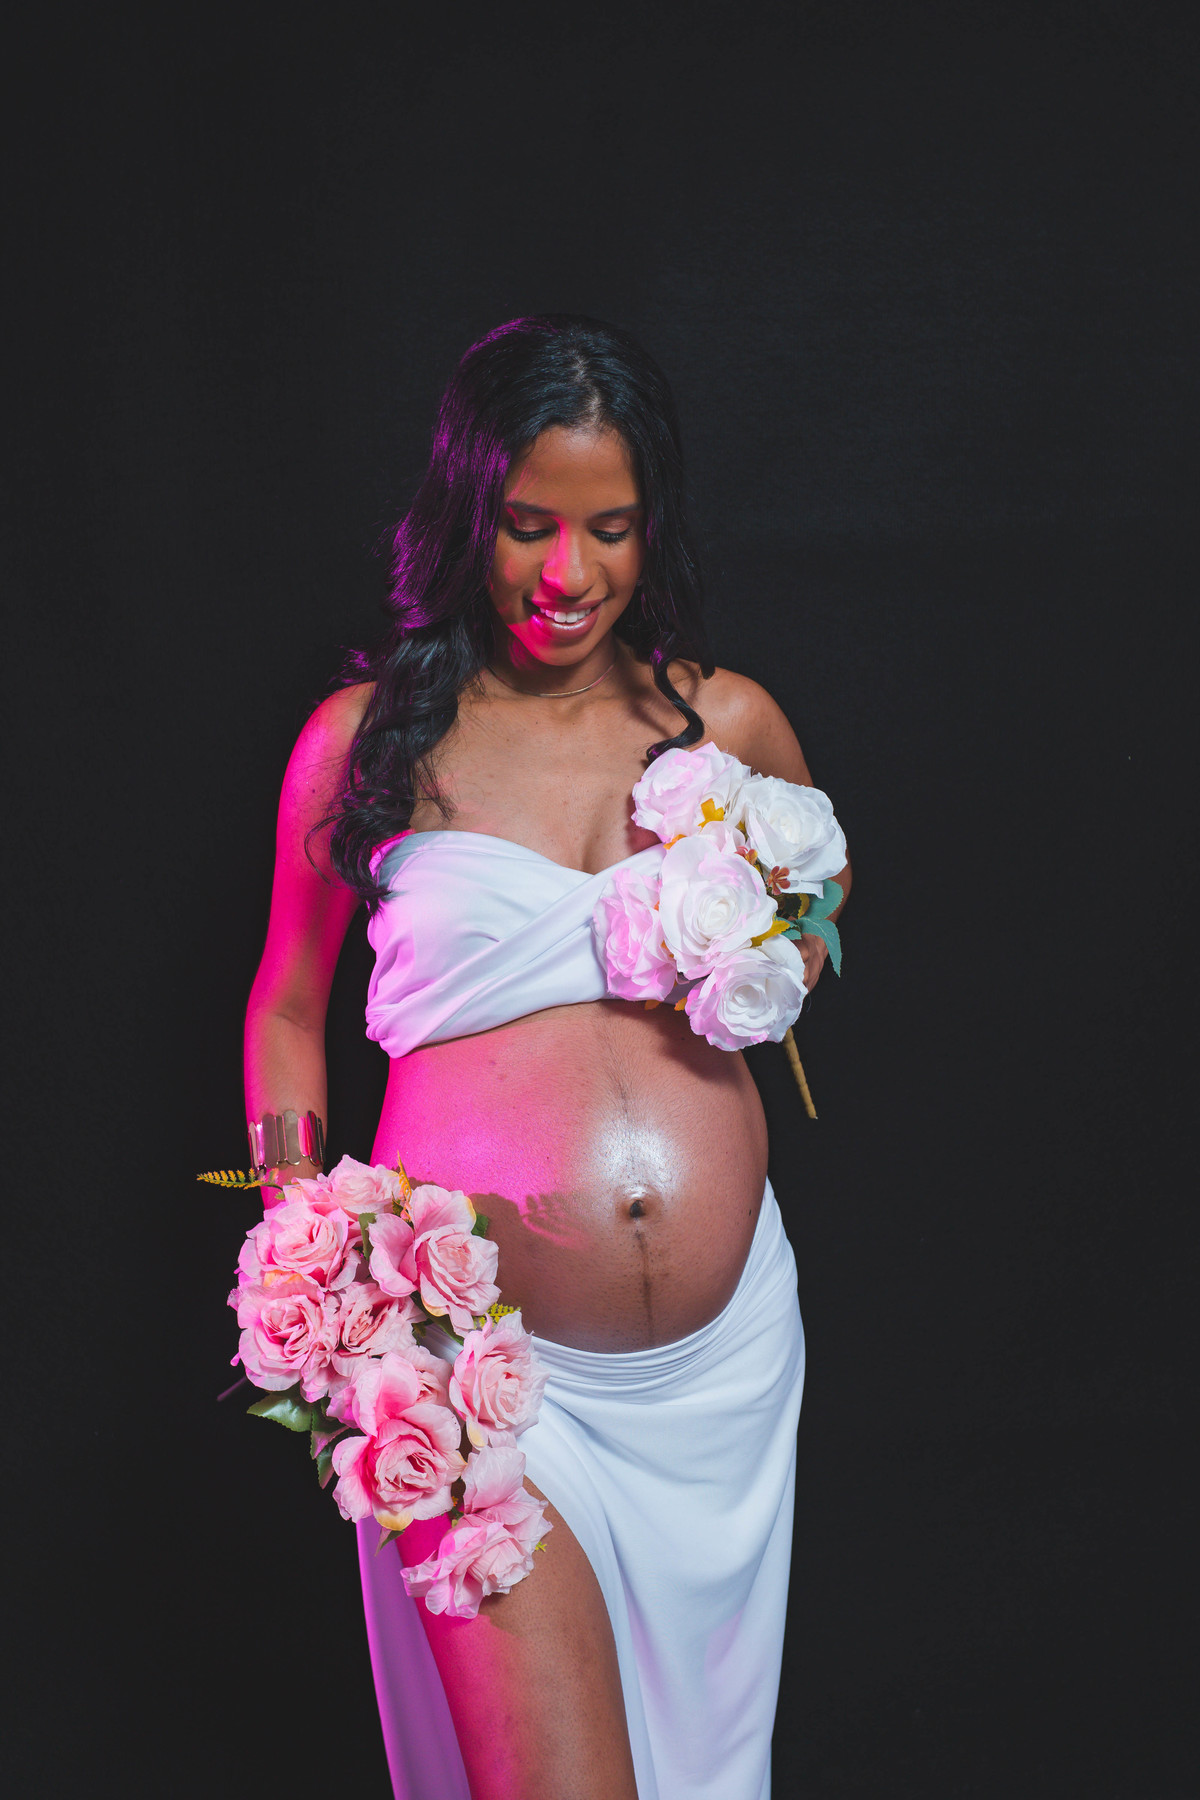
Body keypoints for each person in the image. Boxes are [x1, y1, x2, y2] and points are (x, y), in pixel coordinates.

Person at [244, 315, 851, 1800]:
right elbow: (287, 1004)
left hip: (719, 1370)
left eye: (609, 529)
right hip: (477, 1370)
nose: (565, 573)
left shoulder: (726, 723)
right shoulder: (370, 741)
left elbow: (815, 925)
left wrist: (760, 949)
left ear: (654, 526)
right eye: (527, 525)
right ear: (468, 511)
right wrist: (303, 1244)